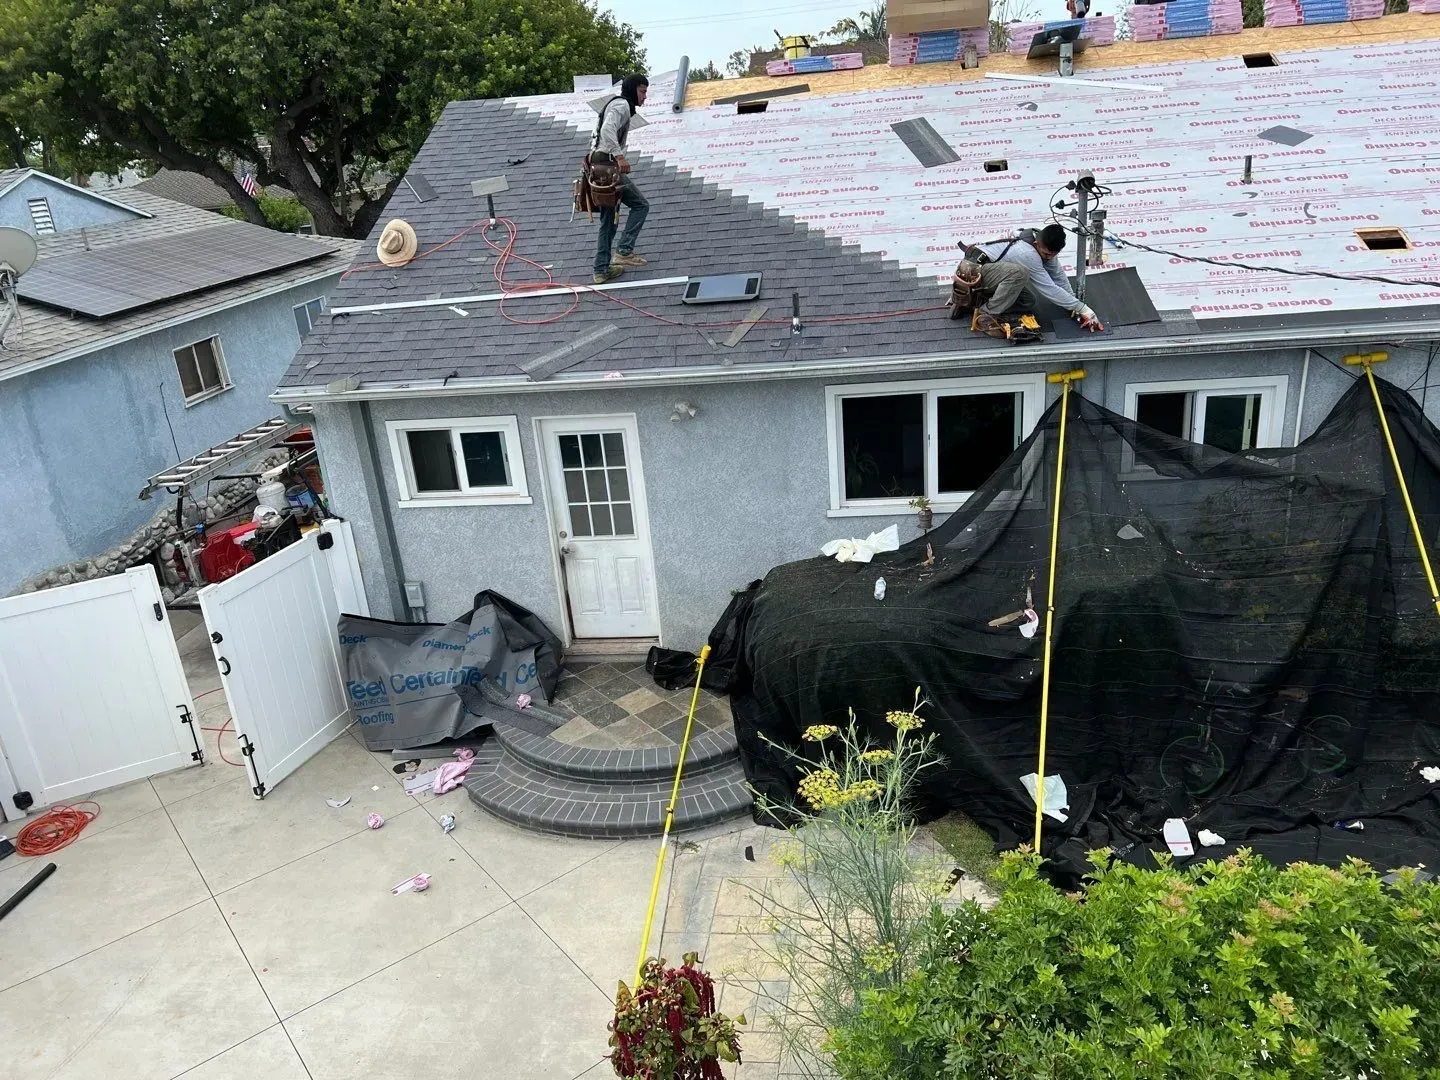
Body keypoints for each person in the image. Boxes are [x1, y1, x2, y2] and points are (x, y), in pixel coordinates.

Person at [954, 224, 1103, 338]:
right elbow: (1048, 288)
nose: (1048, 258)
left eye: (1052, 255)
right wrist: (1084, 309)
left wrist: (1074, 305)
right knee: (1020, 274)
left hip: (989, 273)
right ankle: (986, 315)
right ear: (1037, 244)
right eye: (1046, 254)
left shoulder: (1042, 243)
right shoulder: (1026, 252)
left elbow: (1058, 277)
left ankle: (974, 301)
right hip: (973, 271)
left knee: (1027, 301)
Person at [591, 75, 651, 285]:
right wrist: (620, 156)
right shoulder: (622, 105)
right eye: (642, 91)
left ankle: (601, 270)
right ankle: (624, 251)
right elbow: (607, 130)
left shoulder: (618, 105)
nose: (644, 97)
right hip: (608, 166)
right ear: (632, 89)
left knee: (608, 221)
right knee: (640, 205)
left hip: (598, 166)